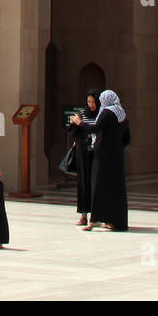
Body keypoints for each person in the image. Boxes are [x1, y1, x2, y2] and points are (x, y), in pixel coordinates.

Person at [68, 89, 129, 230]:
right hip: (116, 157)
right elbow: (127, 138)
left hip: (102, 155)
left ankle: (95, 220)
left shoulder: (107, 112)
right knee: (114, 189)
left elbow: (94, 128)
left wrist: (79, 122)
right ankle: (114, 221)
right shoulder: (122, 114)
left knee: (98, 186)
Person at [65, 90, 100, 225]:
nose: (91, 105)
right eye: (89, 102)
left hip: (96, 153)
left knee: (95, 184)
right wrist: (74, 123)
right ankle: (83, 214)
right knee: (83, 183)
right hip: (83, 153)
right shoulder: (82, 114)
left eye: (93, 102)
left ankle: (96, 215)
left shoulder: (102, 114)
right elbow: (73, 131)